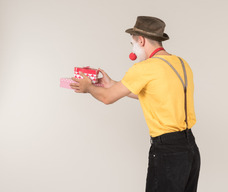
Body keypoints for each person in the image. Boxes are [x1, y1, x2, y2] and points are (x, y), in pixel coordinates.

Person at [70, 16, 201, 192]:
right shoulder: (182, 63)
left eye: (132, 43)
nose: (133, 49)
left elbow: (107, 98)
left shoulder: (145, 68)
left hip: (167, 151)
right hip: (190, 149)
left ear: (141, 40)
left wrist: (88, 87)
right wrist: (114, 84)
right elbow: (155, 95)